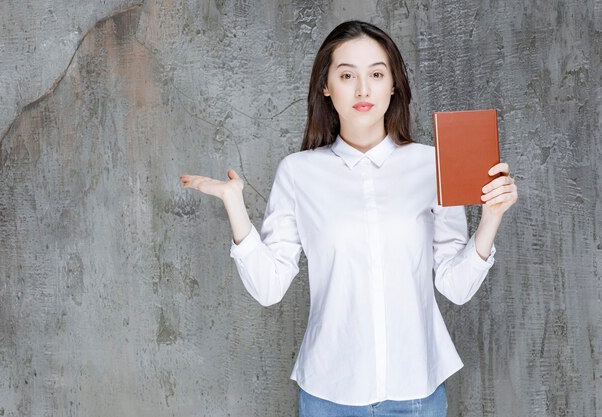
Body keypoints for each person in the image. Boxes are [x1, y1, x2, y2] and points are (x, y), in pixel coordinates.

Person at [180, 20, 517, 417]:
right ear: (326, 86)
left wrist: (491, 218)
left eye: (376, 74)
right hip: (328, 393)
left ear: (393, 85)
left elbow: (456, 286)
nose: (363, 89)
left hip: (415, 392)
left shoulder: (433, 165)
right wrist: (235, 206)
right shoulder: (297, 172)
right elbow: (268, 287)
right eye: (346, 75)